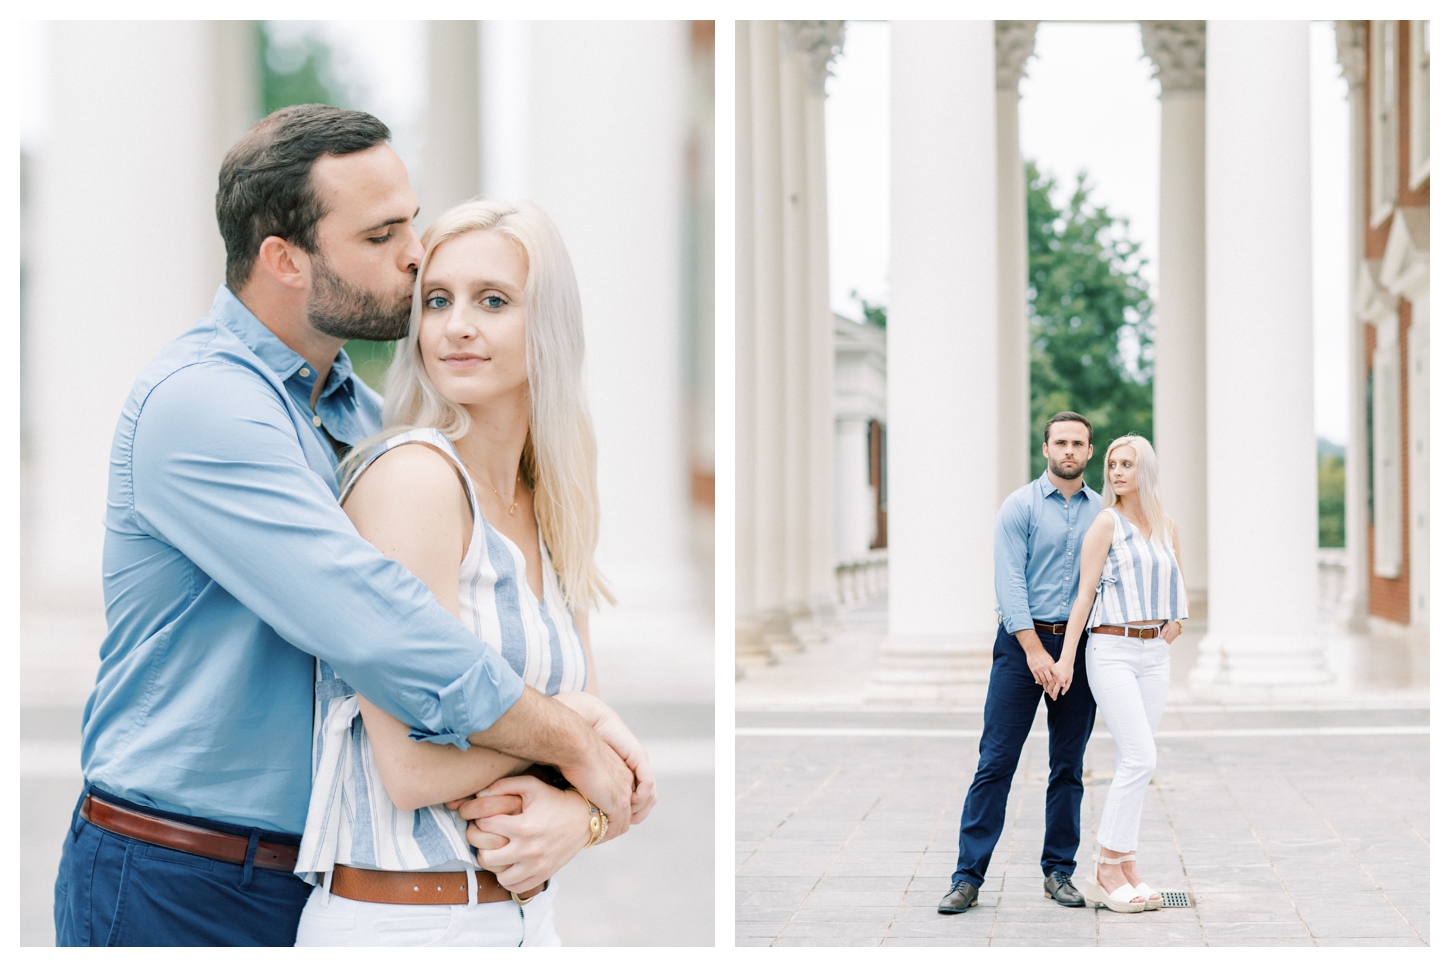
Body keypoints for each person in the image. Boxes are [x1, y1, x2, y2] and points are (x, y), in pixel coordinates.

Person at [53, 105, 636, 947]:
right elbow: (384, 627)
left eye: (412, 221)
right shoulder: (203, 404)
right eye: (381, 235)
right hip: (177, 877)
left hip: (312, 874)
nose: (414, 252)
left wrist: (574, 800)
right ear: (285, 260)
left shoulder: (363, 421)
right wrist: (578, 736)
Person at [292, 198, 651, 945]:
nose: (457, 324)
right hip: (405, 924)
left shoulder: (551, 502)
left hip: (523, 920)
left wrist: (577, 818)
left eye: (493, 301)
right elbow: (412, 768)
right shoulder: (414, 480)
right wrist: (578, 732)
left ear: (545, 325)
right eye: (437, 300)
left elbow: (590, 766)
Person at [939, 412, 1102, 914]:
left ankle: (1059, 872)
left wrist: (1067, 655)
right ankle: (967, 878)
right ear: (1046, 449)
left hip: (1077, 648)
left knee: (1068, 767)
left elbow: (1100, 586)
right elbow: (1010, 583)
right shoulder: (1020, 506)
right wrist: (1035, 652)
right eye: (1061, 442)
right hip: (1020, 646)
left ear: (1089, 452)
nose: (1069, 451)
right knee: (996, 763)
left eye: (1078, 443)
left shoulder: (1104, 513)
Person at [1054, 434, 1187, 914]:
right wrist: (1068, 657)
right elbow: (1084, 594)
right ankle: (1105, 869)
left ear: (1144, 470)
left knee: (1139, 759)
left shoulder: (1167, 526)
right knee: (1140, 758)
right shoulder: (1105, 523)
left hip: (1155, 655)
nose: (1116, 472)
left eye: (1127, 464)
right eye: (1112, 464)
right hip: (1111, 648)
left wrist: (1176, 622)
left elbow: (1176, 582)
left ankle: (1124, 864)